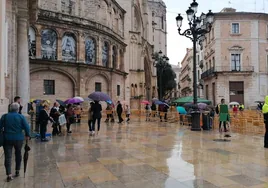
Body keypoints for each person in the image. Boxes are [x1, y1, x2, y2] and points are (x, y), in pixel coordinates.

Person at [0, 103, 30, 182]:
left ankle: (9, 174)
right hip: (18, 138)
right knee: (18, 154)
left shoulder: (4, 116)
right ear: (18, 109)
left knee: (8, 157)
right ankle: (17, 170)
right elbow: (27, 127)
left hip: (7, 138)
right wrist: (27, 135)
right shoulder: (20, 116)